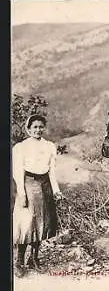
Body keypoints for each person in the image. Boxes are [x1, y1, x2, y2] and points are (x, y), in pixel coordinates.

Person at [12, 114, 64, 277]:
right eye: (34, 127)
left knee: (43, 223)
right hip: (29, 183)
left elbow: (52, 172)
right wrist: (21, 192)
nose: (38, 130)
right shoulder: (21, 147)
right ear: (28, 129)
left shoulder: (49, 146)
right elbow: (17, 171)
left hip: (45, 185)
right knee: (27, 223)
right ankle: (19, 261)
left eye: (41, 126)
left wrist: (56, 191)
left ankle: (34, 259)